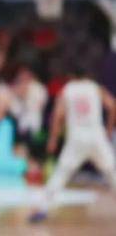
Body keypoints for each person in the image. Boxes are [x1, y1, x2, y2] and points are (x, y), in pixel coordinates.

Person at [30, 68, 116, 222]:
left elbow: (57, 115)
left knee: (61, 173)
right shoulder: (95, 88)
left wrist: (53, 139)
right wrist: (109, 129)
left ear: (71, 76)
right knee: (112, 172)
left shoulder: (68, 90)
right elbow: (112, 105)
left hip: (77, 138)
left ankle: (43, 208)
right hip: (97, 137)